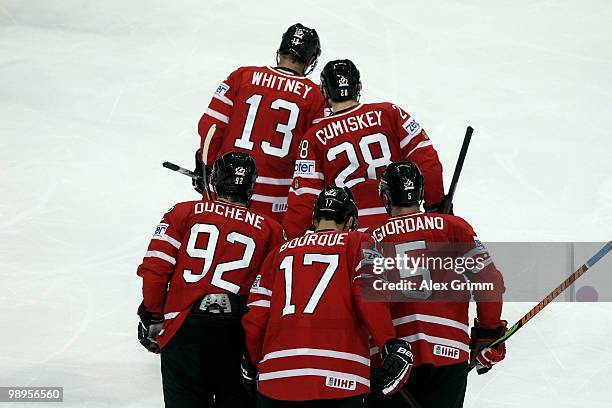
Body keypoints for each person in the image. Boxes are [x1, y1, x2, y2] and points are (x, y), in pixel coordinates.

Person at [136, 152, 285, 408]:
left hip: (185, 329)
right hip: (236, 334)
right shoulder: (272, 229)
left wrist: (153, 315)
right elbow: (274, 297)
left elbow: (155, 269)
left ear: (215, 180)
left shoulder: (183, 212)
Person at [241, 186, 413, 407]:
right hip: (341, 379)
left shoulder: (279, 252)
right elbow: (370, 299)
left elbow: (256, 317)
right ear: (350, 221)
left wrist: (254, 362)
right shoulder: (360, 243)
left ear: (314, 219)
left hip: (277, 380)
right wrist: (388, 342)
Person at [368, 161, 506, 408]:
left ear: (385, 197)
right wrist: (488, 332)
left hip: (394, 361)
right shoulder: (455, 227)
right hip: (448, 352)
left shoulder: (369, 239)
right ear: (420, 194)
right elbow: (490, 280)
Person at [282, 59, 444, 239]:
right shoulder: (390, 113)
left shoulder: (314, 137)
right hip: (399, 224)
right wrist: (435, 206)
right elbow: (428, 161)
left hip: (351, 234)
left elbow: (305, 196)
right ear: (358, 86)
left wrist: (290, 240)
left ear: (325, 91)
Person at [194, 23, 328, 222]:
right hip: (274, 202)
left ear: (280, 51)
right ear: (311, 60)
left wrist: (206, 167)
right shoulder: (316, 97)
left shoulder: (242, 76)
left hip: (224, 190)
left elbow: (211, 128)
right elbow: (316, 154)